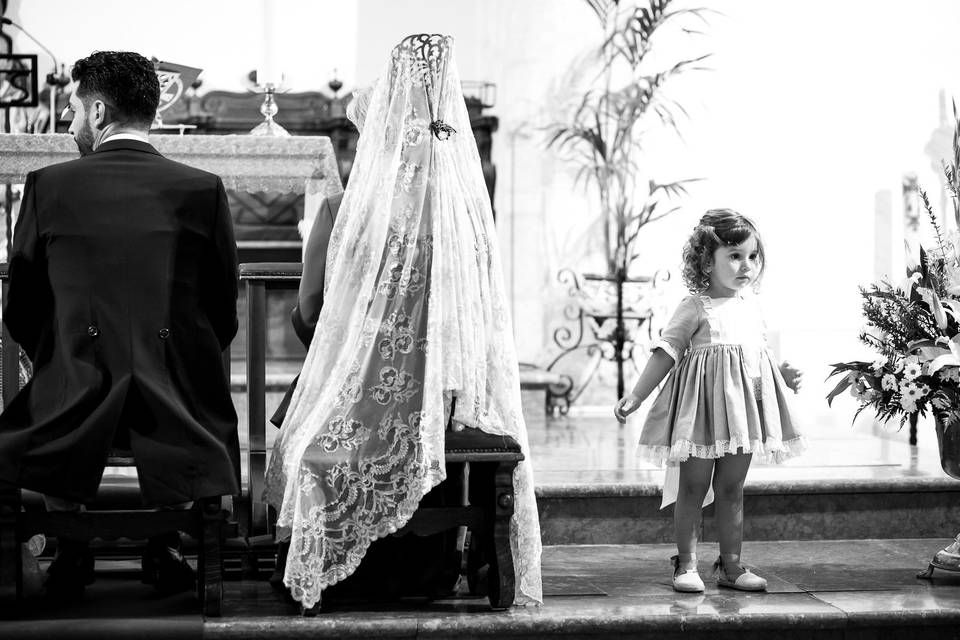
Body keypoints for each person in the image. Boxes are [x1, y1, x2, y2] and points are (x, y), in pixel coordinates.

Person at [263, 34, 542, 610]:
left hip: (375, 393)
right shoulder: (468, 206)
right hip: (457, 394)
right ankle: (446, 559)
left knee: (307, 425)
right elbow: (481, 323)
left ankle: (330, 568)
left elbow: (311, 315)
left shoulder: (345, 210)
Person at [0, 50, 240, 598]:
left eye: (71, 110)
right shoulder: (201, 188)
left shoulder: (48, 186)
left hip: (74, 391)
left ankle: (73, 550)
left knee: (44, 403)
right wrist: (180, 359)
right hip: (176, 394)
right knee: (189, 392)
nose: (67, 122)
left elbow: (23, 304)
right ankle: (164, 548)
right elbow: (222, 304)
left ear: (99, 110)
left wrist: (60, 354)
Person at [614, 209, 804, 593]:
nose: (745, 266)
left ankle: (730, 565)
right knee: (694, 488)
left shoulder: (752, 307)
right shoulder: (696, 307)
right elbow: (666, 352)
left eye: (752, 257)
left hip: (740, 417)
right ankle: (685, 564)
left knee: (733, 488)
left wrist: (780, 376)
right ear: (706, 260)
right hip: (700, 415)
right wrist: (637, 394)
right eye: (734, 256)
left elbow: (756, 357)